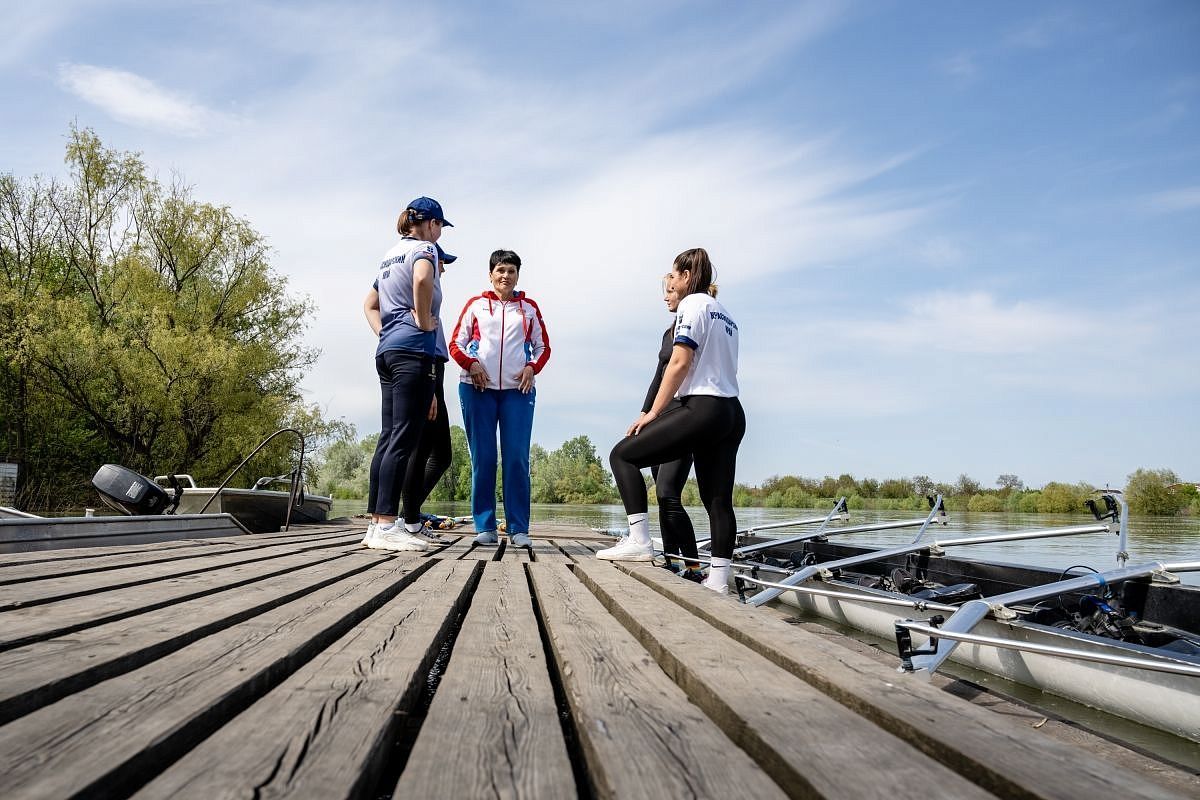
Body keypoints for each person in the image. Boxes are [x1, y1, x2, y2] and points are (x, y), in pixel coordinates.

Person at [601, 248, 744, 595]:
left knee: (623, 456)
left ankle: (639, 540)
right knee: (718, 500)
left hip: (704, 407)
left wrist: (652, 412)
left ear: (685, 276)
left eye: (673, 276)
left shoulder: (691, 305)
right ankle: (718, 581)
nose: (671, 283)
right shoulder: (726, 315)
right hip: (732, 412)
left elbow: (679, 363)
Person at [362, 196, 453, 552]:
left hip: (387, 351)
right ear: (430, 224)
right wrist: (423, 320)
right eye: (440, 226)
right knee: (404, 438)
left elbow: (368, 304)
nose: (440, 233)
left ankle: (376, 524)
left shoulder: (389, 254)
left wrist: (387, 332)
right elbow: (421, 280)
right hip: (413, 350)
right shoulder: (425, 250)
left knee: (388, 437)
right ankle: (387, 525)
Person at [449, 250, 551, 548]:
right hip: (477, 389)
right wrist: (472, 364)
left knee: (517, 459)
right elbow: (457, 343)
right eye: (501, 270)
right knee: (484, 458)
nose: (506, 276)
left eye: (512, 271)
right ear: (491, 273)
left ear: (518, 275)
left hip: (517, 392)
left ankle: (519, 528)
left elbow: (542, 347)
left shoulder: (528, 309)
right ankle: (485, 526)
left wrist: (532, 368)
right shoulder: (476, 306)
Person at [644, 274, 704, 582]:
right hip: (659, 420)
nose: (665, 297)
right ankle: (670, 560)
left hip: (683, 417)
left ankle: (694, 567)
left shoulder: (695, 325)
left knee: (669, 493)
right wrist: (645, 415)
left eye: (669, 291)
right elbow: (658, 377)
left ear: (684, 290)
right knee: (660, 494)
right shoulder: (668, 333)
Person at [397, 243, 458, 543]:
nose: (443, 267)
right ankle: (408, 520)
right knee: (425, 452)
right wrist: (430, 389)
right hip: (428, 367)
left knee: (437, 453)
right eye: (442, 262)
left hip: (435, 369)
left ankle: (408, 517)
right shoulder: (423, 293)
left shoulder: (431, 298)